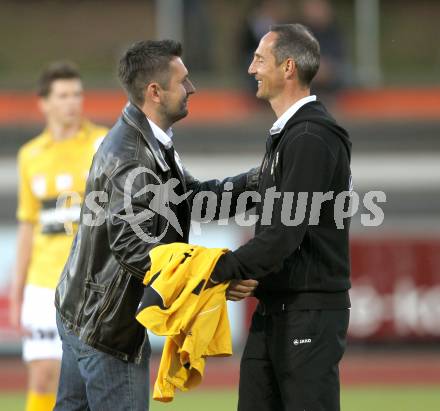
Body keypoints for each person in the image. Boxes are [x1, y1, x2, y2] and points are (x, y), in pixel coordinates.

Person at [54, 40, 259, 411]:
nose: (191, 88)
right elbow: (134, 248)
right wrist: (212, 274)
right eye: (183, 81)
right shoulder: (133, 157)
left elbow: (193, 199)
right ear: (155, 92)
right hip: (107, 332)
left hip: (82, 313)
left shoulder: (146, 139)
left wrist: (259, 183)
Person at [211, 24, 352, 410]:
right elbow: (240, 193)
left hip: (306, 313)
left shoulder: (309, 136)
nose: (251, 68)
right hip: (278, 308)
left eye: (259, 59)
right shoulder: (290, 135)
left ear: (288, 67)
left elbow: (286, 232)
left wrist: (219, 270)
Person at [9, 62, 107, 411]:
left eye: (77, 94)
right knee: (43, 376)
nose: (72, 102)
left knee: (89, 381)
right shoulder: (30, 155)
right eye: (63, 95)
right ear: (44, 103)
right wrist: (16, 290)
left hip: (90, 283)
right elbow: (27, 225)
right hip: (42, 284)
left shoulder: (103, 144)